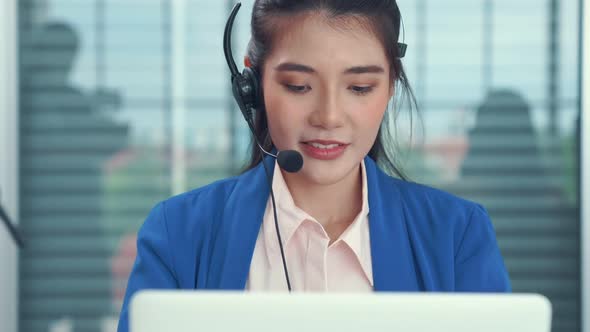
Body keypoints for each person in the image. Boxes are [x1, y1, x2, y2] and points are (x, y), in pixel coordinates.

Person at [117, 1, 510, 331]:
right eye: (298, 86)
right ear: (251, 82)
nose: (329, 116)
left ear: (390, 85)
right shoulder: (179, 235)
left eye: (359, 88)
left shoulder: (457, 236)